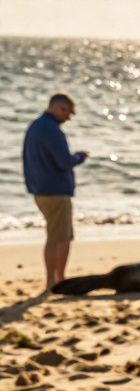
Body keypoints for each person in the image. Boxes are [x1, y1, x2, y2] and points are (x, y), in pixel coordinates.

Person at [23, 92, 90, 290]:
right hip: (55, 191)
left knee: (55, 236)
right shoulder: (51, 130)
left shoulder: (35, 126)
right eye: (67, 113)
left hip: (40, 190)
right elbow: (64, 161)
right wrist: (80, 157)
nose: (68, 118)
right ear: (58, 108)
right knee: (61, 238)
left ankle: (53, 279)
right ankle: (58, 280)